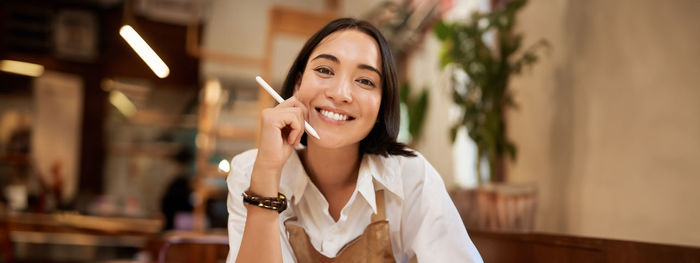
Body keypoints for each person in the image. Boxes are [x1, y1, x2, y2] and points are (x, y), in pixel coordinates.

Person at [226, 18, 482, 263]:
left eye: (365, 81)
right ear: (297, 85)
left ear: (383, 105)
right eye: (325, 70)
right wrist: (267, 173)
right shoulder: (250, 171)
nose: (340, 94)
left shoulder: (411, 177)